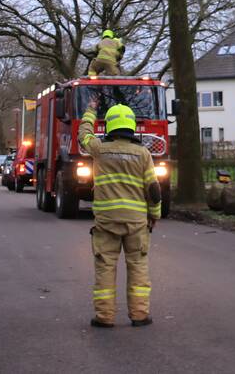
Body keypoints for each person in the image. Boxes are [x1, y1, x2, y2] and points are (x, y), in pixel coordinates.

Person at [79, 97, 162, 328]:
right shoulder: (143, 154)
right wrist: (154, 215)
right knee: (138, 267)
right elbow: (153, 190)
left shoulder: (99, 150)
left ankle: (105, 317)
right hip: (136, 222)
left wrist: (90, 110)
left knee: (105, 267)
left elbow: (83, 134)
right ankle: (139, 315)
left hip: (106, 223)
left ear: (110, 126)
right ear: (132, 125)